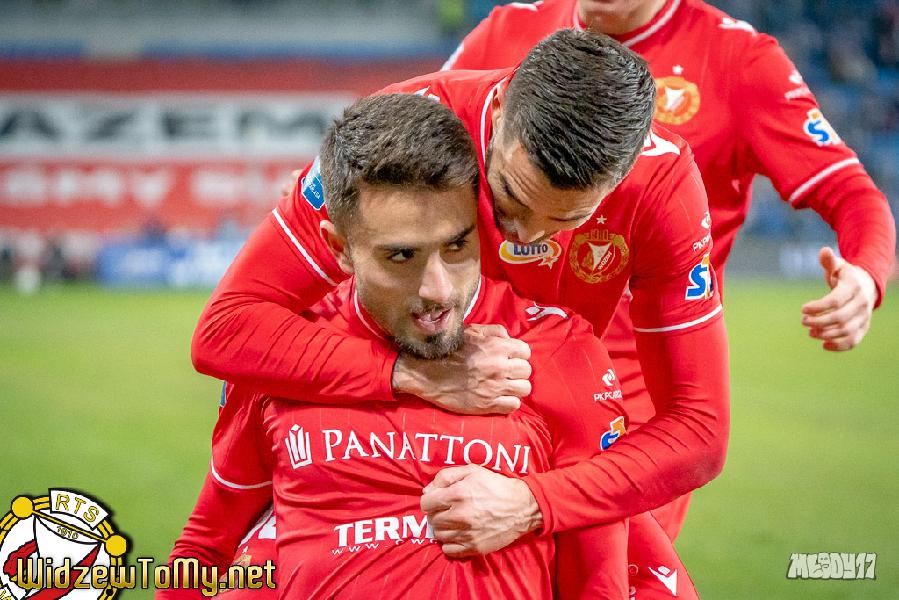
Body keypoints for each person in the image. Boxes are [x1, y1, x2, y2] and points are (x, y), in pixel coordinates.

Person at [190, 29, 729, 558]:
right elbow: (226, 328)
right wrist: (411, 374)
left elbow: (700, 429)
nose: (525, 236)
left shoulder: (663, 184)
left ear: (624, 176)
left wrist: (533, 504)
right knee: (223, 553)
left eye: (568, 218)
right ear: (497, 115)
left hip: (549, 421)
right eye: (508, 196)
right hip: (386, 394)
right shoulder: (404, 135)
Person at [437, 0, 896, 540]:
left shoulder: (739, 60)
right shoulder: (510, 28)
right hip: (483, 369)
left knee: (607, 569)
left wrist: (865, 271)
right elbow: (415, 153)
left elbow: (849, 190)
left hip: (632, 399)